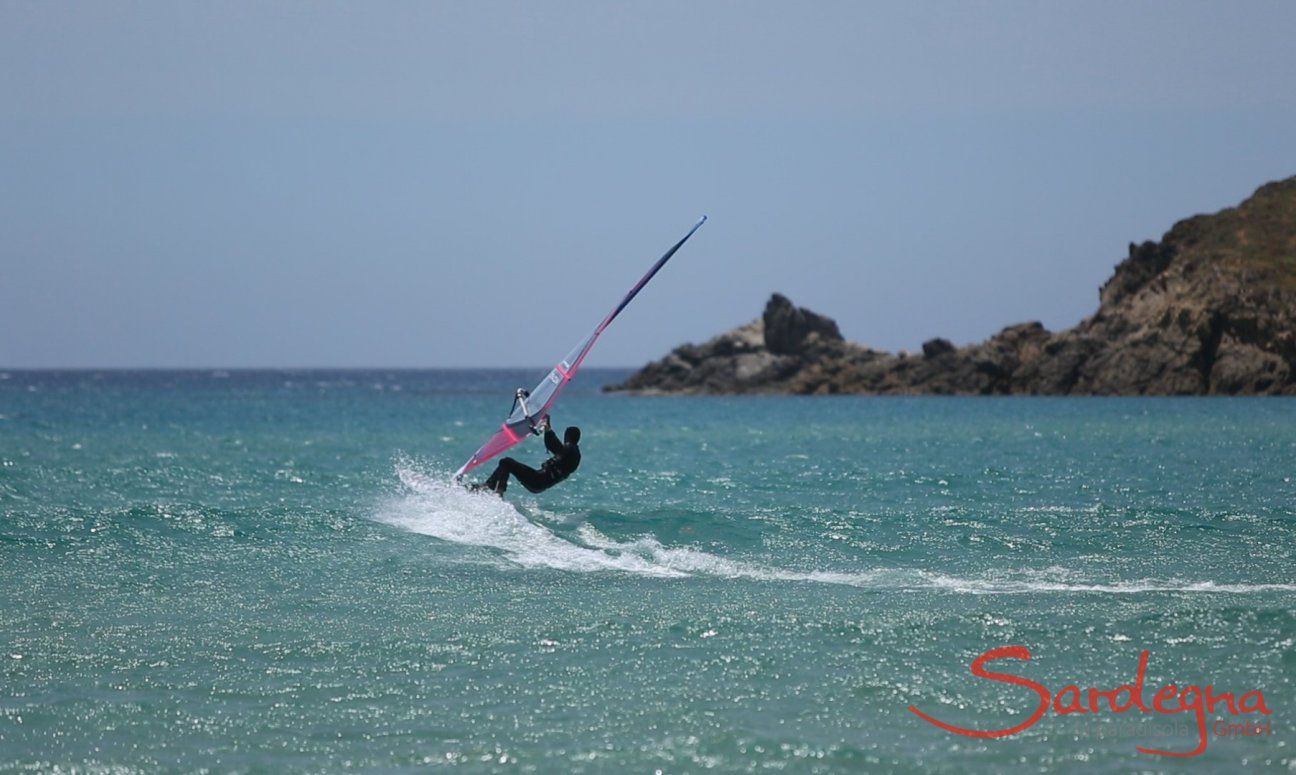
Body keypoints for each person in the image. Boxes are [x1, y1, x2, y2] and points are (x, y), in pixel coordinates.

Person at [478, 416, 581, 495]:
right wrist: (547, 428)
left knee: (506, 462)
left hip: (537, 480)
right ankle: (490, 485)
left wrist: (548, 429)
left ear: (568, 436)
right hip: (540, 484)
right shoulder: (574, 454)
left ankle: (497, 492)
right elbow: (554, 447)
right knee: (506, 463)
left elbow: (553, 446)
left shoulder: (569, 449)